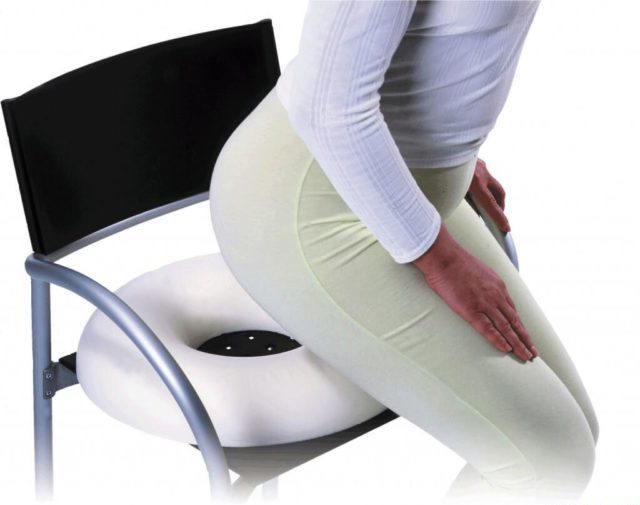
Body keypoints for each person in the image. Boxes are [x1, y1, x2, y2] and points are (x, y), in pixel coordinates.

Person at [209, 1, 599, 503]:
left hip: (395, 185)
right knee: (551, 462)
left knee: (572, 434)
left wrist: (450, 153)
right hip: (305, 211)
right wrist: (439, 257)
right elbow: (324, 108)